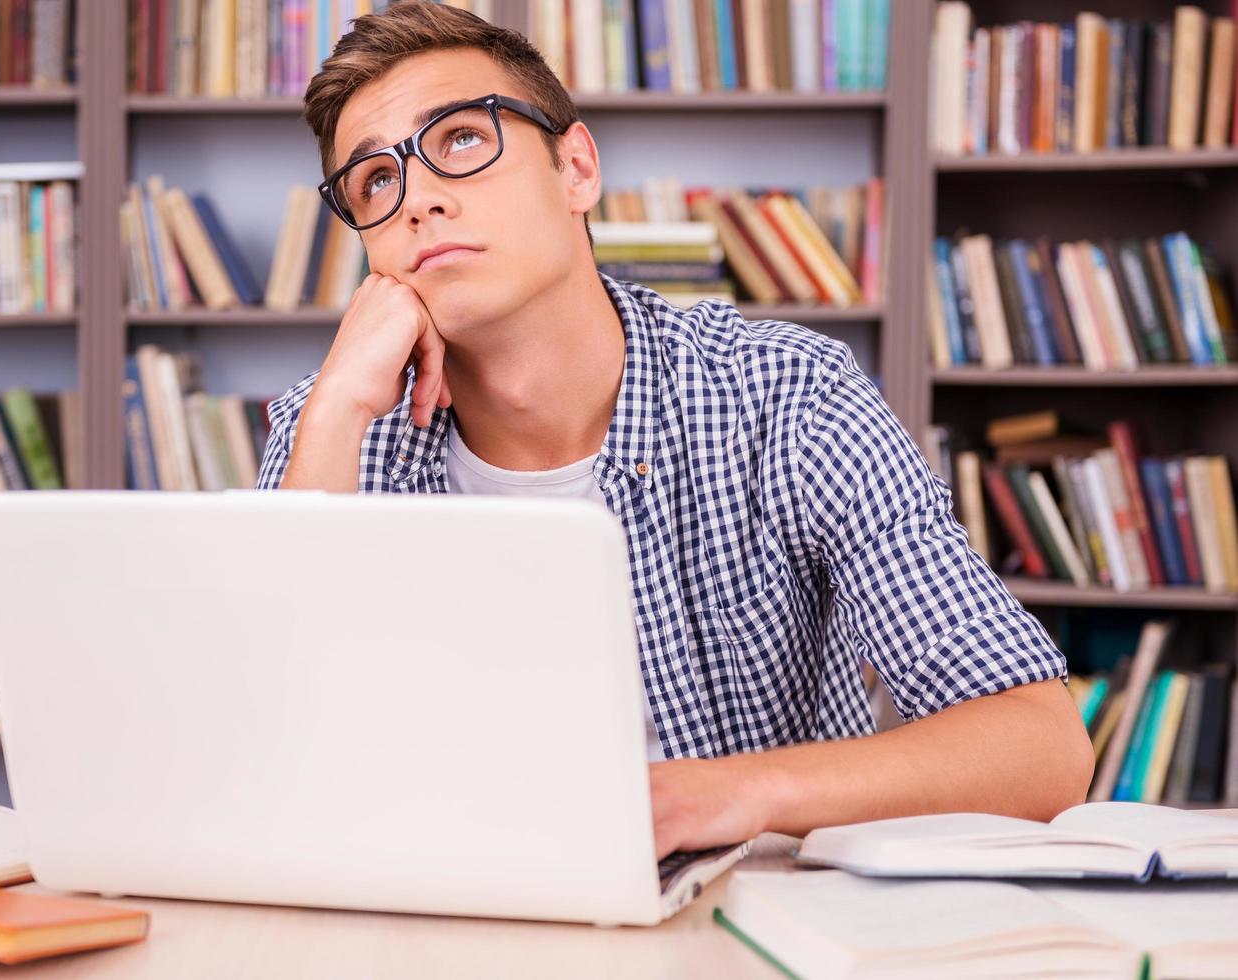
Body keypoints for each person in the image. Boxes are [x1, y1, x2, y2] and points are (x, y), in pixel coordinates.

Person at [257, 0, 1094, 860]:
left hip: (741, 912)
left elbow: (1038, 746)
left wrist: (723, 796)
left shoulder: (788, 396)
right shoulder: (331, 429)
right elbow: (259, 760)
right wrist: (333, 414)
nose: (417, 200)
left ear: (576, 168)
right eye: (374, 181)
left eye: (462, 141)